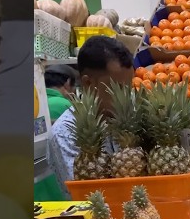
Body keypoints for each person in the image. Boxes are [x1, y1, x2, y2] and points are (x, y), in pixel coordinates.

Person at [45, 36, 135, 198]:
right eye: (119, 88)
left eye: (130, 88)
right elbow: (87, 197)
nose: (127, 97)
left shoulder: (123, 118)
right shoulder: (65, 133)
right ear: (88, 83)